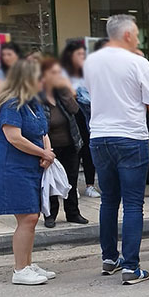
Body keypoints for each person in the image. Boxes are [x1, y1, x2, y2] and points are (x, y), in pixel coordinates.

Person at [85, 14, 149, 285]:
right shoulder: (138, 62)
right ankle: (131, 267)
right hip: (131, 136)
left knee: (109, 200)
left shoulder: (91, 62)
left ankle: (109, 258)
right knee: (133, 203)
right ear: (127, 35)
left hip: (99, 136)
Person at [0, 59, 56, 285]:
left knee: (32, 216)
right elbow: (14, 137)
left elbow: (43, 131)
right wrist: (43, 153)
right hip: (13, 168)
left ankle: (27, 263)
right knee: (27, 217)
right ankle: (20, 269)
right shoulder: (11, 104)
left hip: (30, 167)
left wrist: (46, 151)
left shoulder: (32, 102)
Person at [39, 57, 87, 228]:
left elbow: (75, 110)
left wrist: (65, 90)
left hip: (70, 144)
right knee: (50, 181)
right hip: (49, 147)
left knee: (71, 180)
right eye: (54, 72)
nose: (58, 75)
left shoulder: (61, 94)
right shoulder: (37, 97)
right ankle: (50, 215)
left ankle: (73, 213)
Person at [61, 41, 99, 199]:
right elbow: (67, 94)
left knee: (89, 151)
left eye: (84, 54)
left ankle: (90, 185)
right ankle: (71, 185)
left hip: (89, 116)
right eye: (79, 54)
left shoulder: (89, 73)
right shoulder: (62, 74)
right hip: (70, 116)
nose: (83, 57)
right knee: (73, 152)